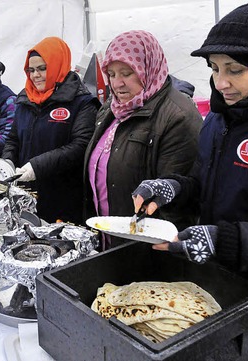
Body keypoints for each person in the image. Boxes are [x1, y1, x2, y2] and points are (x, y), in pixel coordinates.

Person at [131, 2, 248, 360]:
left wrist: (224, 240)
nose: (221, 82)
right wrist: (173, 188)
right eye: (215, 68)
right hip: (228, 296)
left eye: (234, 70)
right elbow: (206, 185)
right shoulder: (219, 121)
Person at [83, 30, 202, 248]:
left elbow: (175, 203)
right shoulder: (110, 109)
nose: (117, 84)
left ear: (148, 67)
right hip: (111, 239)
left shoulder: (177, 116)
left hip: (146, 248)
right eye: (111, 74)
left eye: (127, 73)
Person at [1, 37, 99, 224]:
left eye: (42, 68)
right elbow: (13, 138)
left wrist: (36, 167)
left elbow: (80, 146)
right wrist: (8, 162)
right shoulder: (25, 99)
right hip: (27, 195)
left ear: (57, 65)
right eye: (31, 70)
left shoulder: (81, 102)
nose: (35, 75)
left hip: (63, 198)